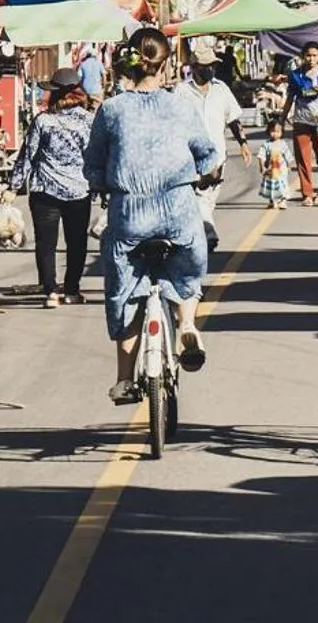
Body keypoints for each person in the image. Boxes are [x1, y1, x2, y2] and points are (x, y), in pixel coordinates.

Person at [85, 28, 224, 402]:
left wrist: (104, 184)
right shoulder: (181, 105)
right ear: (166, 65)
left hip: (129, 215)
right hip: (178, 214)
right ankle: (188, 324)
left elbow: (93, 165)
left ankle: (125, 378)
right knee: (188, 272)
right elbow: (208, 154)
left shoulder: (111, 109)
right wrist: (206, 174)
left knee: (125, 291)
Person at [9, 66, 95, 307]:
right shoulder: (90, 121)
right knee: (76, 243)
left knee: (46, 244)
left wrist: (12, 187)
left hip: (45, 191)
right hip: (79, 190)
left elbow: (28, 156)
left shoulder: (43, 121)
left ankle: (51, 292)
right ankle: (71, 291)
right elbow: (96, 156)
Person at [174, 45, 243, 252]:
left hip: (217, 157)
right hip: (189, 157)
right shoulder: (182, 91)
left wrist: (243, 143)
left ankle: (201, 234)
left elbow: (233, 118)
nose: (210, 69)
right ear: (194, 67)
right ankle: (207, 233)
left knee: (207, 200)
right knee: (199, 197)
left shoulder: (221, 89)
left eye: (212, 65)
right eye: (206, 66)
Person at [288, 41, 318, 206]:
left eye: (314, 55)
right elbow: (290, 97)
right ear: (303, 56)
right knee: (303, 159)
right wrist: (281, 119)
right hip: (302, 119)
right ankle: (307, 194)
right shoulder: (295, 75)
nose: (311, 58)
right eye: (308, 55)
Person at [258, 117, 294, 210]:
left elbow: (288, 155)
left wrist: (289, 166)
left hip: (281, 169)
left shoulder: (283, 144)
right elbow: (261, 156)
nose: (275, 134)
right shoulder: (266, 144)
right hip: (270, 170)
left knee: (282, 184)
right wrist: (262, 166)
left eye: (278, 131)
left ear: (282, 132)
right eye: (272, 131)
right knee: (271, 185)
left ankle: (283, 200)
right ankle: (271, 201)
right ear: (268, 131)